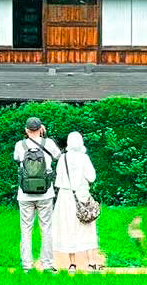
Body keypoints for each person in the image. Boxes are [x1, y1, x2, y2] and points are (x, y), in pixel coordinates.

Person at [13, 115, 61, 271]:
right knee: (46, 228)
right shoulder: (49, 143)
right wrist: (44, 137)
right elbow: (58, 156)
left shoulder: (20, 145)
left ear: (26, 130)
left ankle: (27, 266)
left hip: (24, 194)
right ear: (41, 128)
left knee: (26, 229)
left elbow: (16, 159)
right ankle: (48, 264)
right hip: (45, 194)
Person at [52, 131, 99, 272]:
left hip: (65, 197)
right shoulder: (84, 158)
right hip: (82, 195)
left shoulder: (63, 158)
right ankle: (91, 262)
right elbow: (92, 177)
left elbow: (58, 178)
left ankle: (72, 264)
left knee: (68, 229)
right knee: (87, 227)